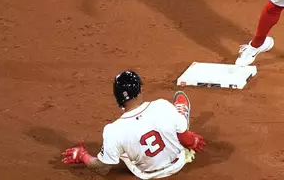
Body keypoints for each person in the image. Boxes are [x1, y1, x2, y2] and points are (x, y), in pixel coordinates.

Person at [61, 70, 206, 179]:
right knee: (174, 122)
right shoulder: (162, 105)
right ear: (141, 89)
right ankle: (181, 114)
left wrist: (83, 156)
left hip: (147, 174)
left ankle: (178, 118)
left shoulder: (113, 130)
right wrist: (192, 141)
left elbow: (102, 168)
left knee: (120, 149)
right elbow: (187, 140)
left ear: (117, 99)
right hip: (178, 163)